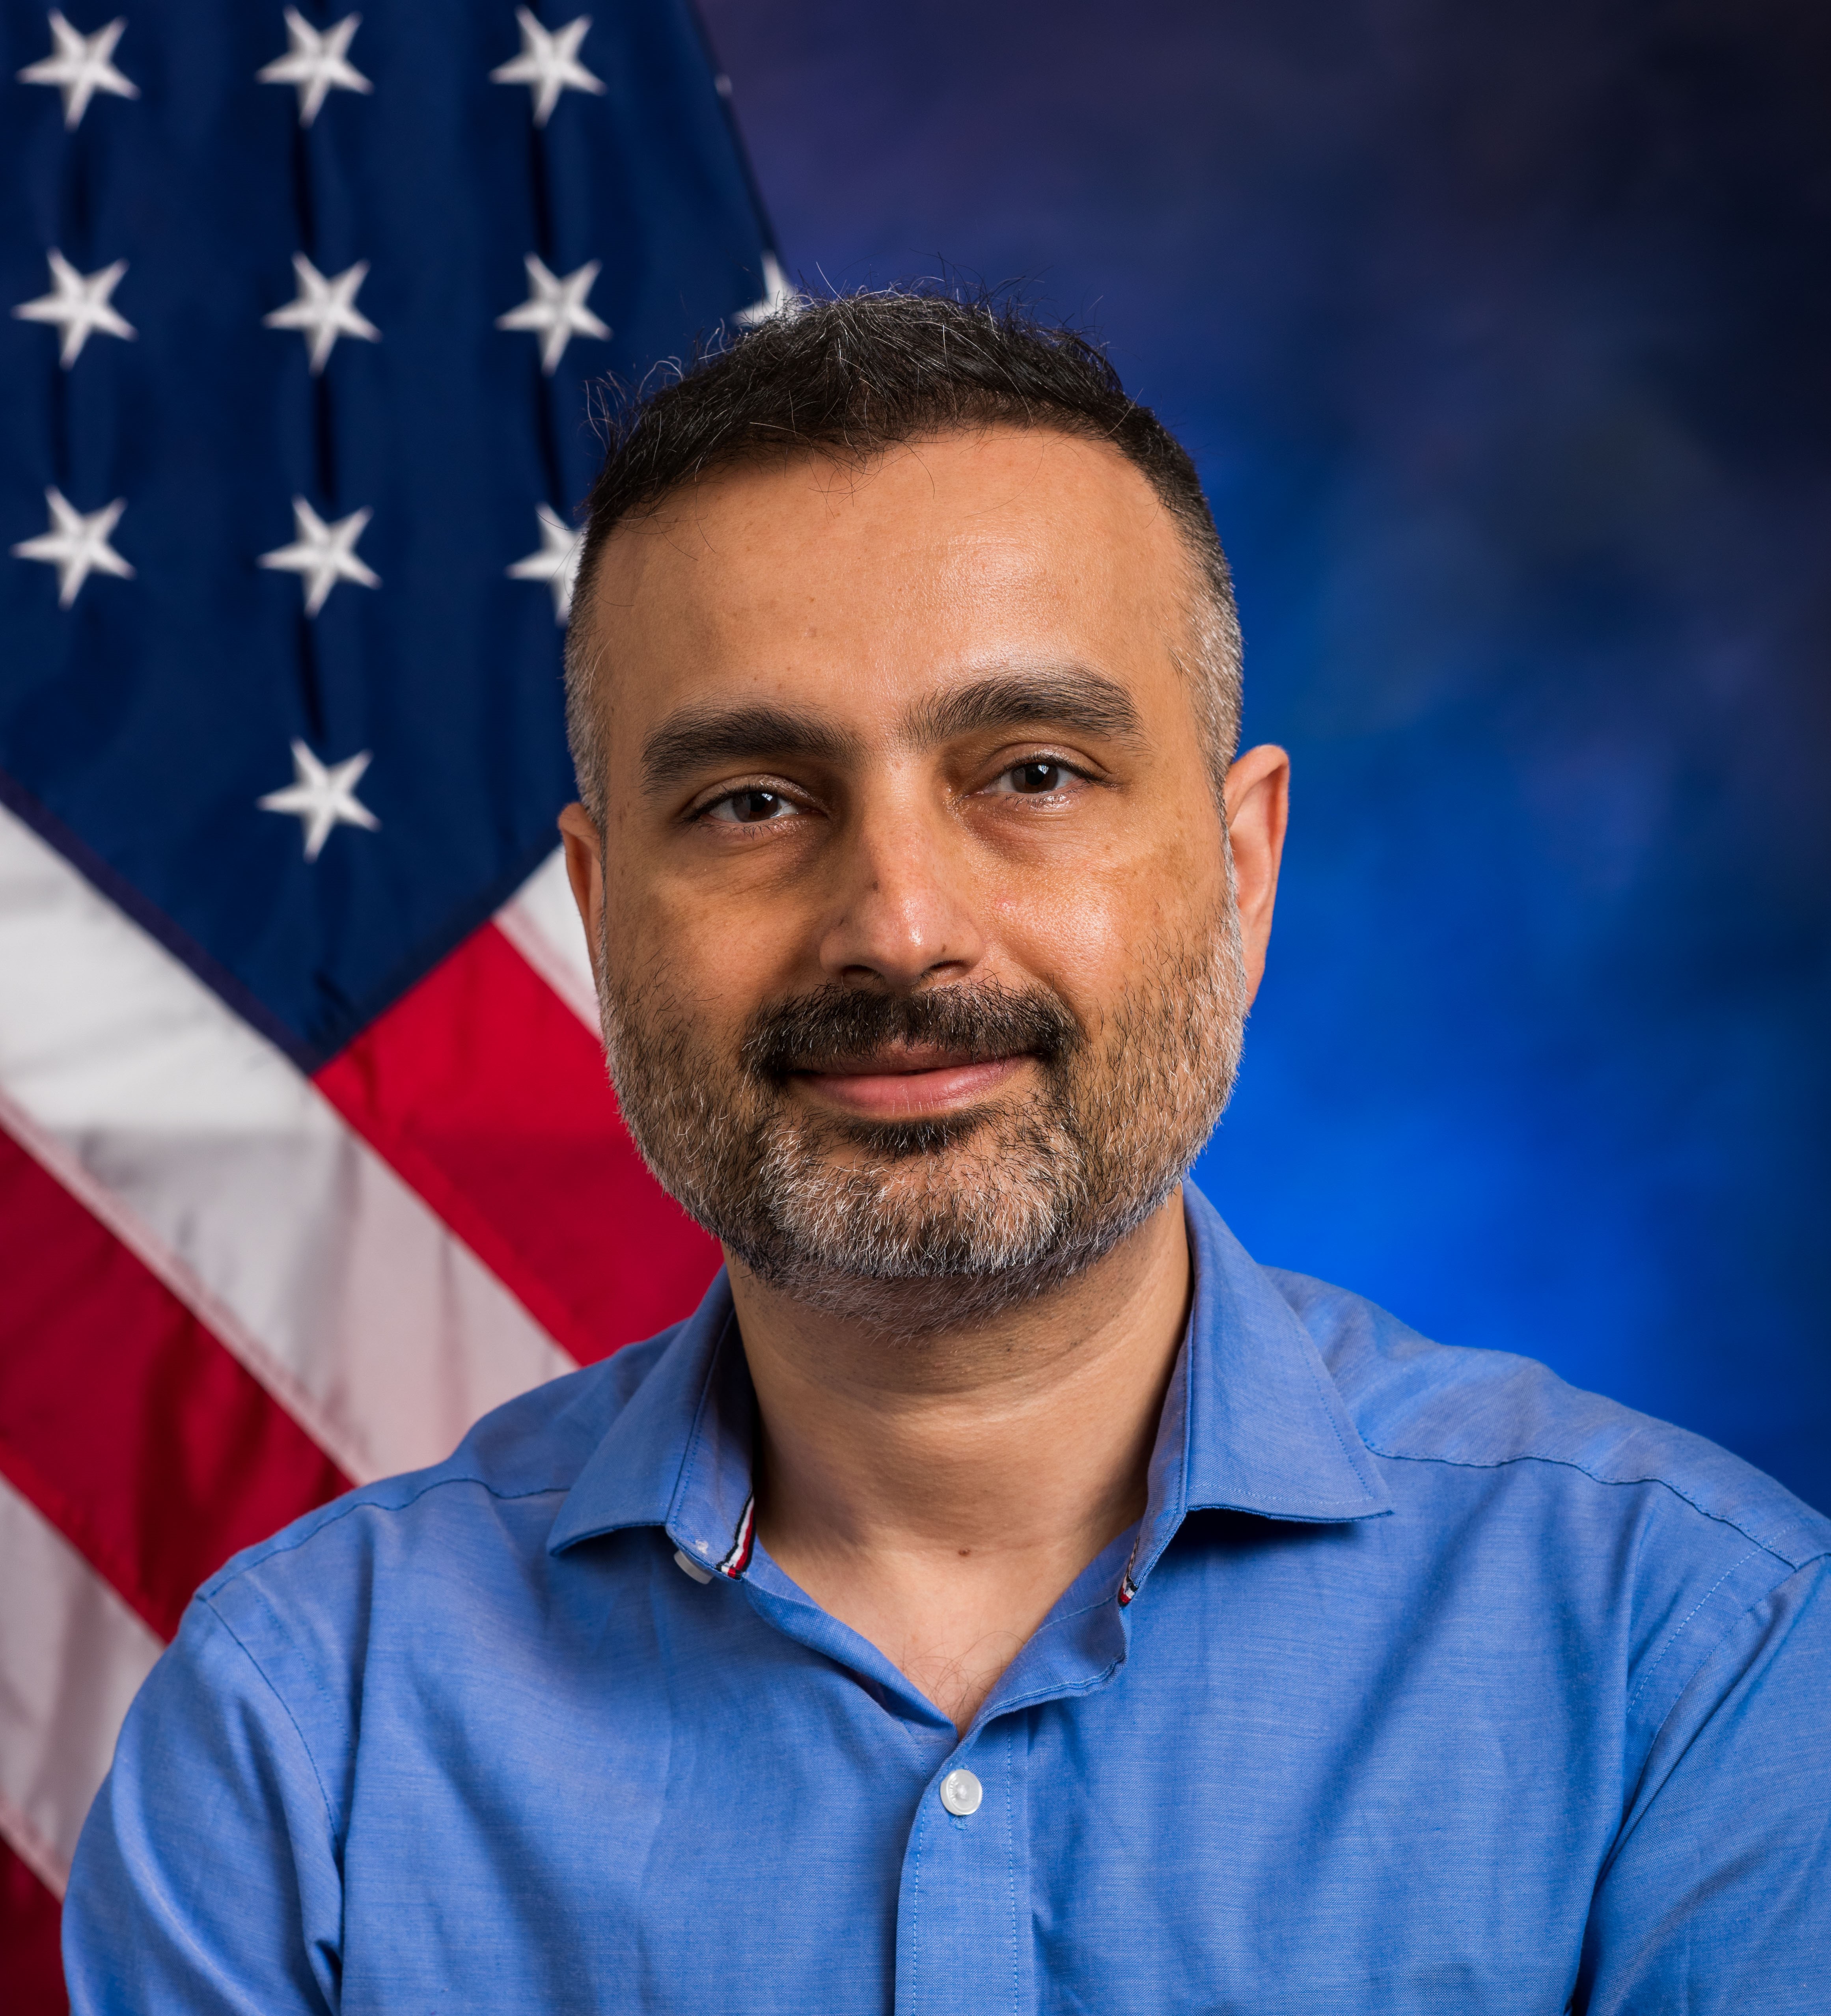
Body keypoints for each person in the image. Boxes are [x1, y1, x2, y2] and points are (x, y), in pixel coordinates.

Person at [65, 291, 1829, 2014]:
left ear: (1243, 867)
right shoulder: (301, 1740)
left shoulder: (1692, 1661)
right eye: (754, 800)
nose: (900, 928)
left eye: (1035, 772)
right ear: (602, 918)